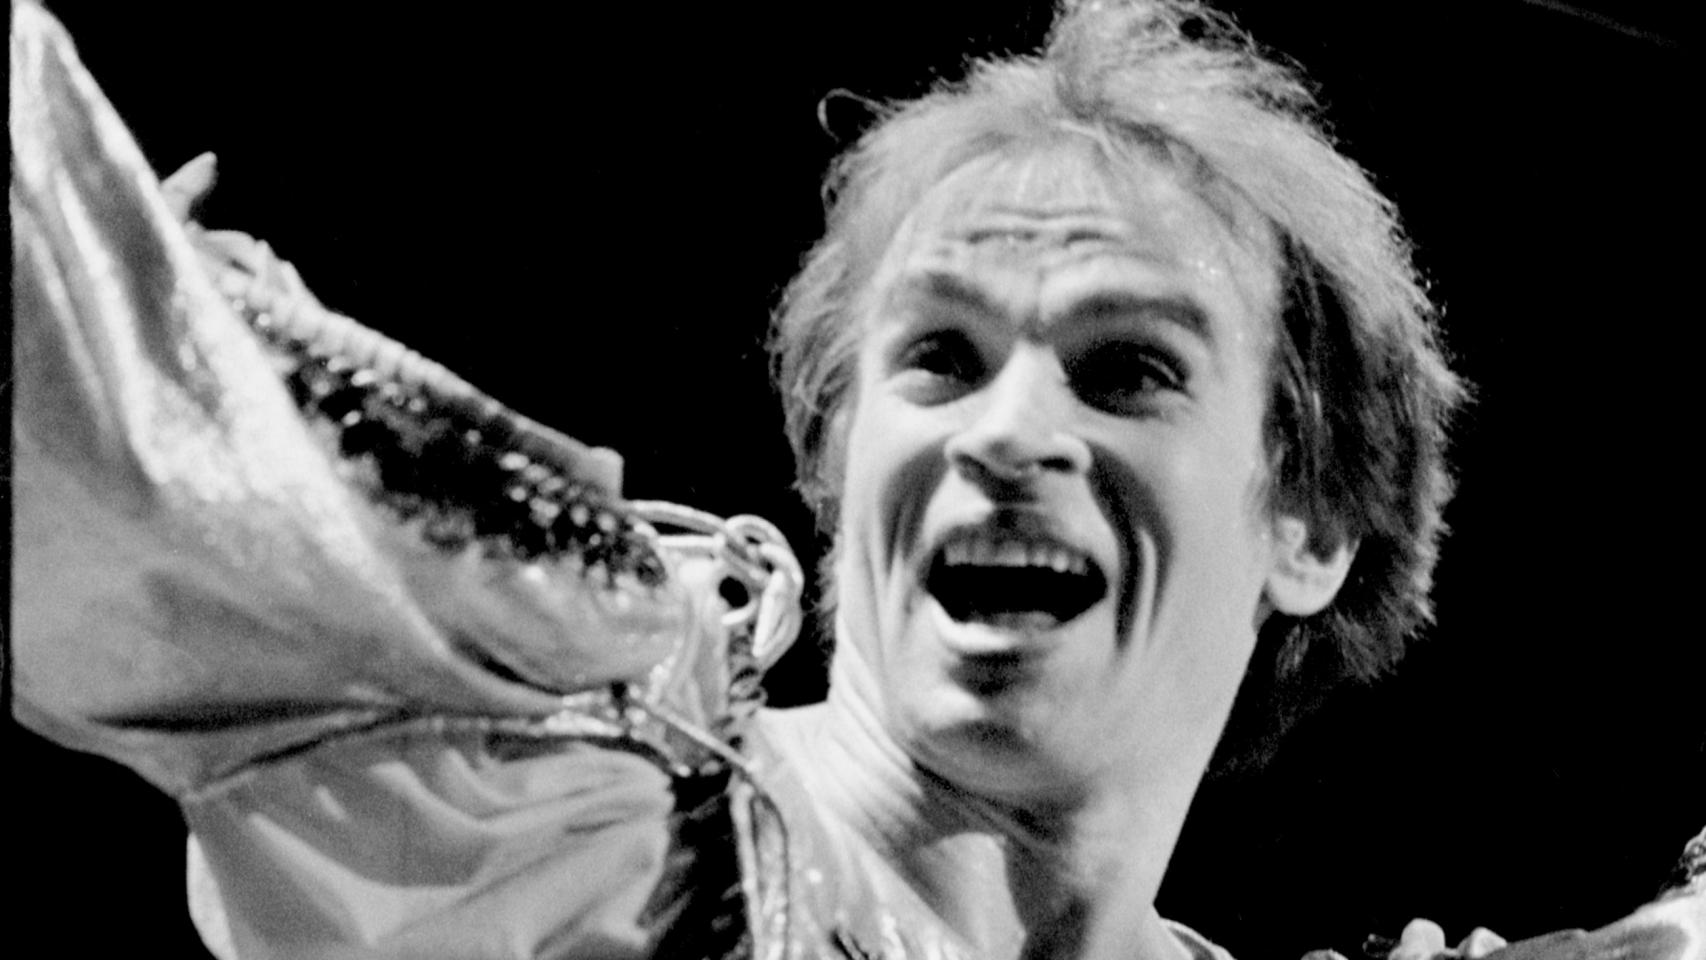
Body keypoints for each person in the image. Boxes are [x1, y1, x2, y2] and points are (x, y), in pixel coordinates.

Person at [9, 2, 1700, 959]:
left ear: (1309, 524)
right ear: (837, 464)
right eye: (939, 359)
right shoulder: (571, 813)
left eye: (1125, 370)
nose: (1005, 433)